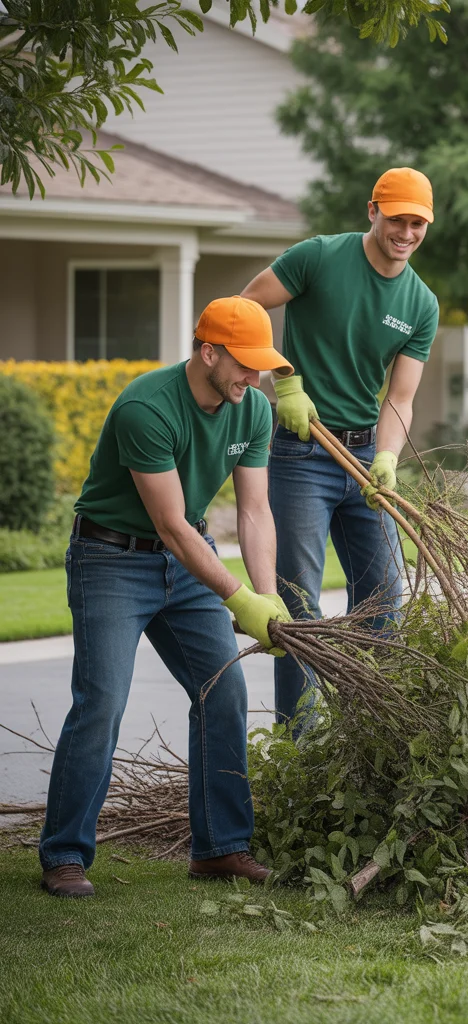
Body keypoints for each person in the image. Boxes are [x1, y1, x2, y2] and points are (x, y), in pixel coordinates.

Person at [39, 296, 294, 897]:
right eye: (243, 364)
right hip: (111, 559)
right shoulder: (145, 407)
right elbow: (172, 524)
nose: (253, 378)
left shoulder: (253, 410)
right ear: (208, 352)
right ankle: (65, 855)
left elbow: (256, 511)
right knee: (101, 700)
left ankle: (220, 849)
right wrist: (238, 599)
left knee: (223, 689)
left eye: (261, 367)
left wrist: (266, 597)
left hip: (184, 563)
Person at [241, 167, 440, 726]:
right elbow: (244, 313)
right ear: (372, 211)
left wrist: (388, 457)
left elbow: (400, 396)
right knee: (299, 603)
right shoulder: (318, 257)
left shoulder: (421, 304)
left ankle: (366, 737)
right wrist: (284, 379)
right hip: (301, 454)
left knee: (383, 601)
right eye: (397, 218)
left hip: (361, 460)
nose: (406, 231)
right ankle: (298, 747)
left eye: (417, 222)